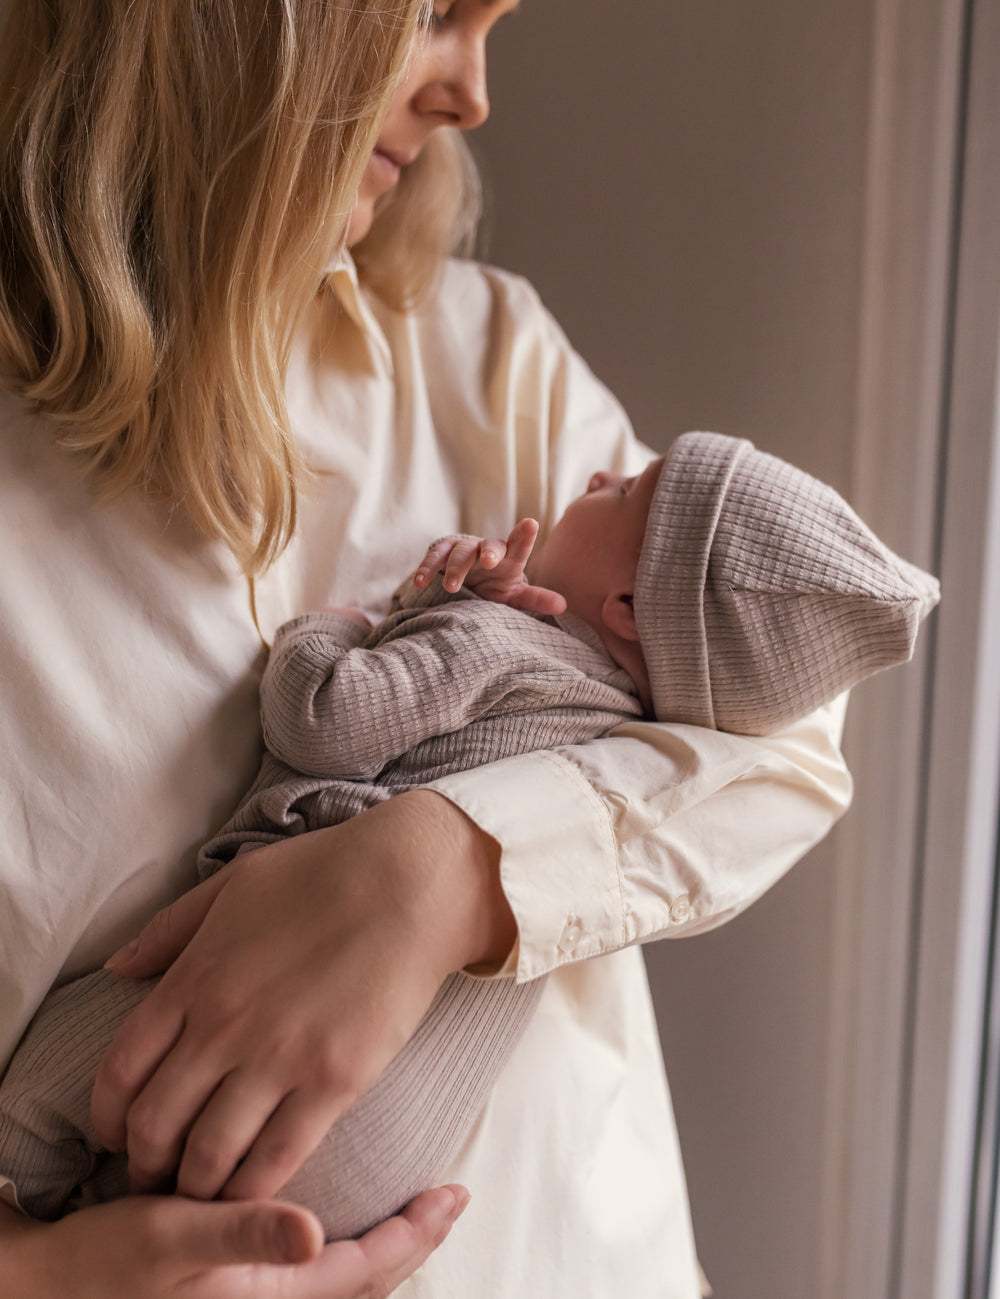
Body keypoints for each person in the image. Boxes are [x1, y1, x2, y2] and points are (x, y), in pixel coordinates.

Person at [0, 2, 859, 1296]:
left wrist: (446, 869)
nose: (473, 95)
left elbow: (786, 733)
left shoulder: (493, 361)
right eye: (434, 14)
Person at [0, 433, 938, 1249]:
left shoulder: (503, 640)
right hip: (393, 1156)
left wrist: (330, 631)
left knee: (43, 1095)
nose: (601, 472)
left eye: (623, 491)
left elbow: (327, 723)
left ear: (623, 610)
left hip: (285, 1039)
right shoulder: (613, 741)